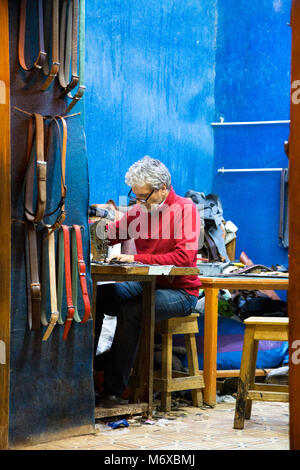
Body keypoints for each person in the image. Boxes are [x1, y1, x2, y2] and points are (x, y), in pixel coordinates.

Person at [94, 155, 201, 406]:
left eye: (145, 196)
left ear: (164, 187)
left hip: (181, 293)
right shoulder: (140, 210)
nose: (140, 202)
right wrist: (90, 229)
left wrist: (134, 257)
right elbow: (111, 234)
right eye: (136, 197)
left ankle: (113, 391)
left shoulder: (185, 210)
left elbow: (184, 259)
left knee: (132, 310)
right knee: (101, 296)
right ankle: (83, 377)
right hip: (147, 284)